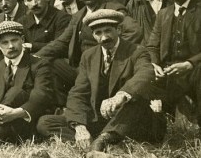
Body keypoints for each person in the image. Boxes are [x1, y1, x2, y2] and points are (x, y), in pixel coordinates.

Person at [36, 9, 166, 152]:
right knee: (46, 122)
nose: (104, 37)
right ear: (93, 35)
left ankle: (102, 141)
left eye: (108, 31)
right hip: (101, 119)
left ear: (118, 30)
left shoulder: (136, 51)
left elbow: (146, 72)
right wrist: (79, 127)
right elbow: (78, 92)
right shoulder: (88, 56)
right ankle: (102, 141)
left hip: (127, 117)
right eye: (98, 33)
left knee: (136, 102)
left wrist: (120, 95)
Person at [145, 0, 201, 125]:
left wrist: (190, 64)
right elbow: (152, 46)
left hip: (194, 70)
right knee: (142, 74)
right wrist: (155, 64)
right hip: (168, 72)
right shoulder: (163, 14)